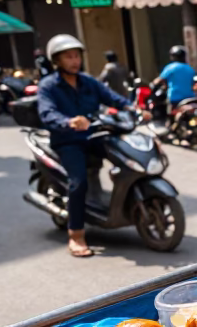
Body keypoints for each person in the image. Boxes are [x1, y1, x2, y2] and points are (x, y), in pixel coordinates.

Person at [36, 34, 138, 258]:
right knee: (78, 182)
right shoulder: (48, 86)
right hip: (68, 141)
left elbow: (112, 97)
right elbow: (47, 113)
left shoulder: (88, 81)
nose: (75, 61)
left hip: (94, 136)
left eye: (77, 56)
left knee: (129, 158)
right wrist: (68, 122)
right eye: (68, 57)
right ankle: (76, 234)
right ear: (57, 61)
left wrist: (132, 108)